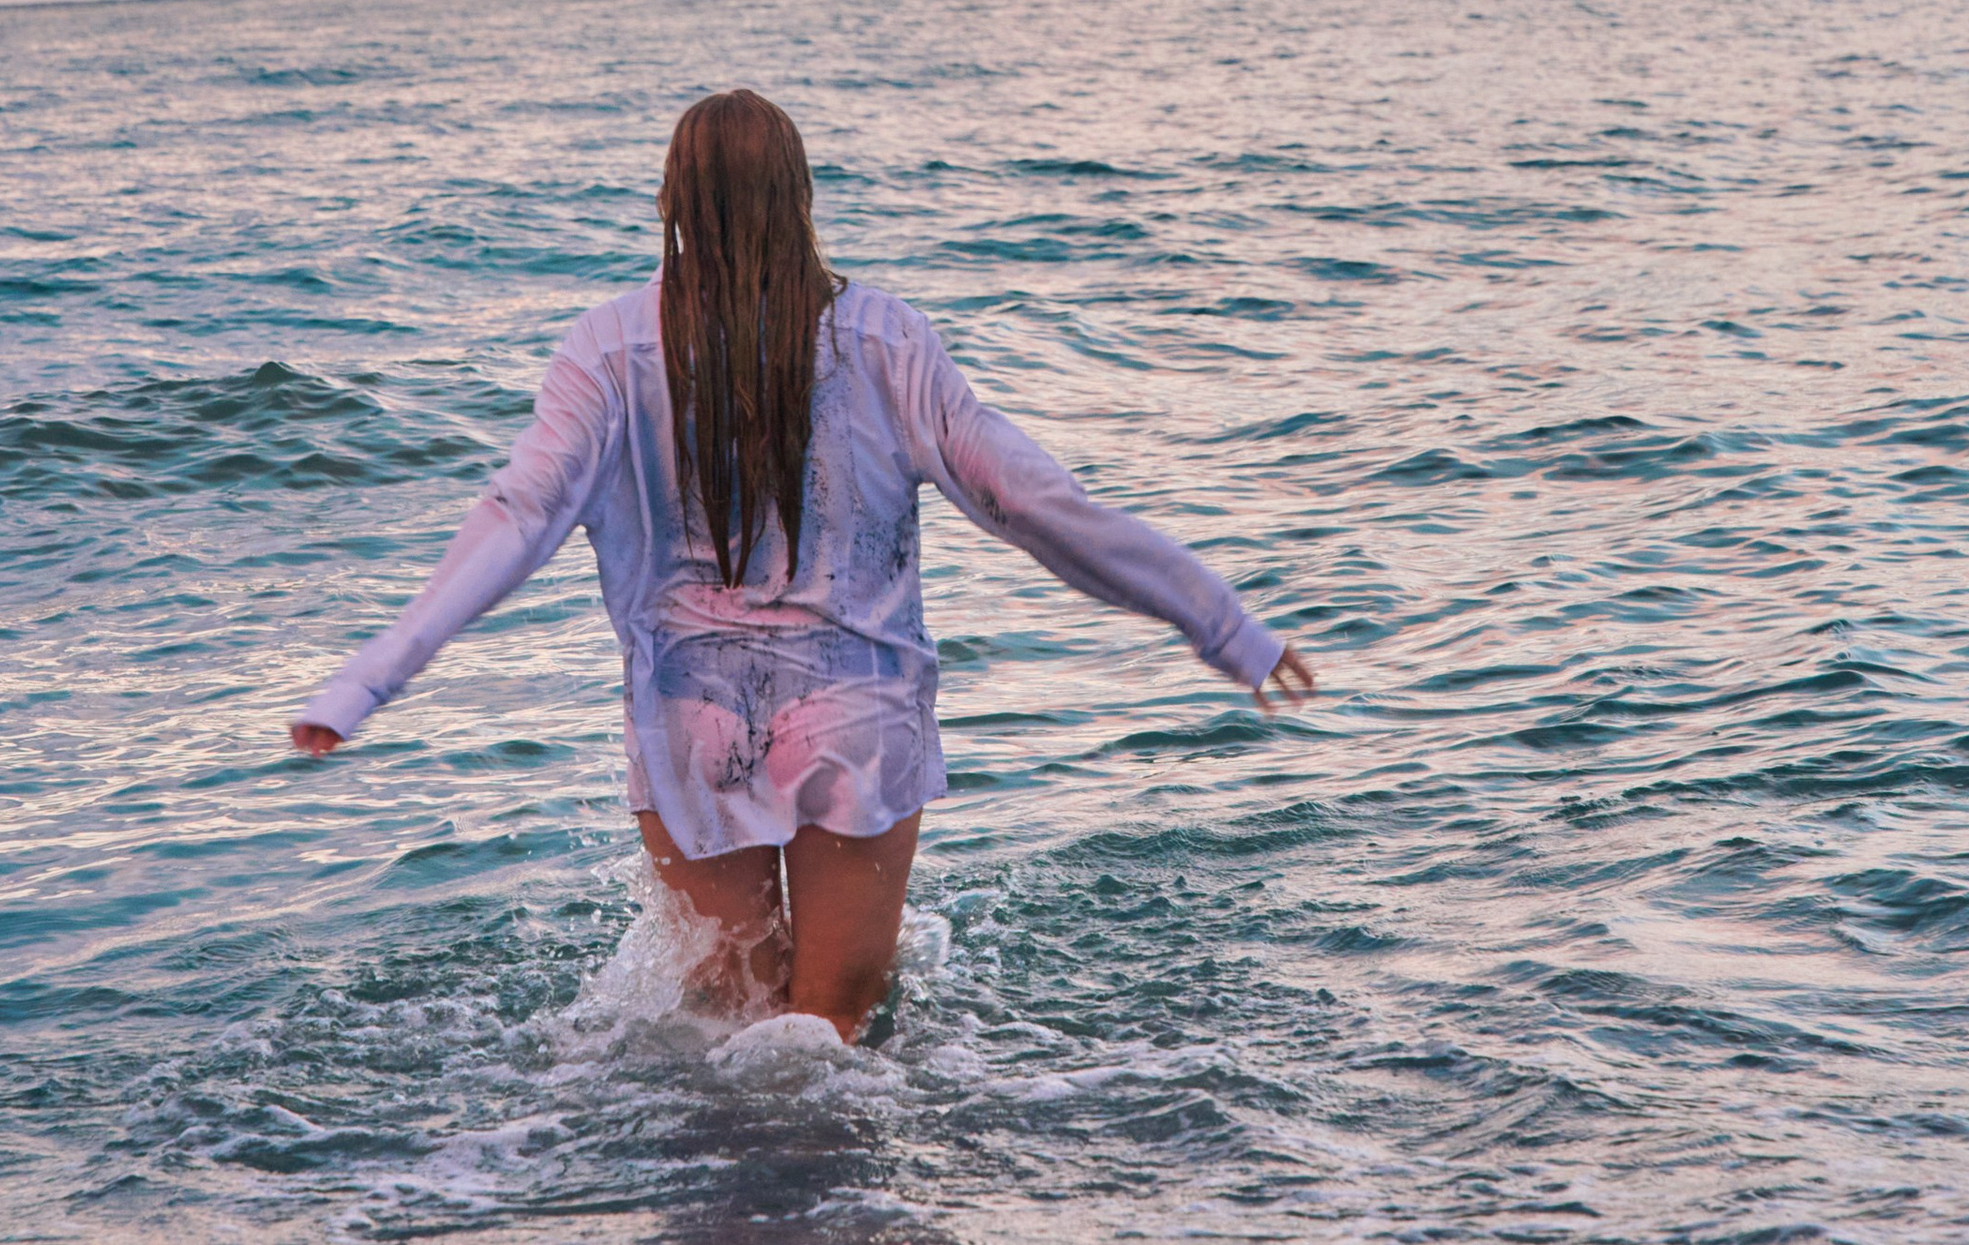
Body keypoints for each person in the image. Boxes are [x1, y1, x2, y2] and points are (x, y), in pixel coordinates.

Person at [291, 88, 1317, 1041]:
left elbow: (518, 519)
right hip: (855, 722)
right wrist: (1223, 624)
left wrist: (365, 680)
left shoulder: (604, 351)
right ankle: (838, 1228)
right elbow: (1032, 502)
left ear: (670, 200)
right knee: (829, 1043)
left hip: (691, 725)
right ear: (801, 195)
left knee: (733, 1035)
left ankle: (727, 1227)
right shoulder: (881, 339)